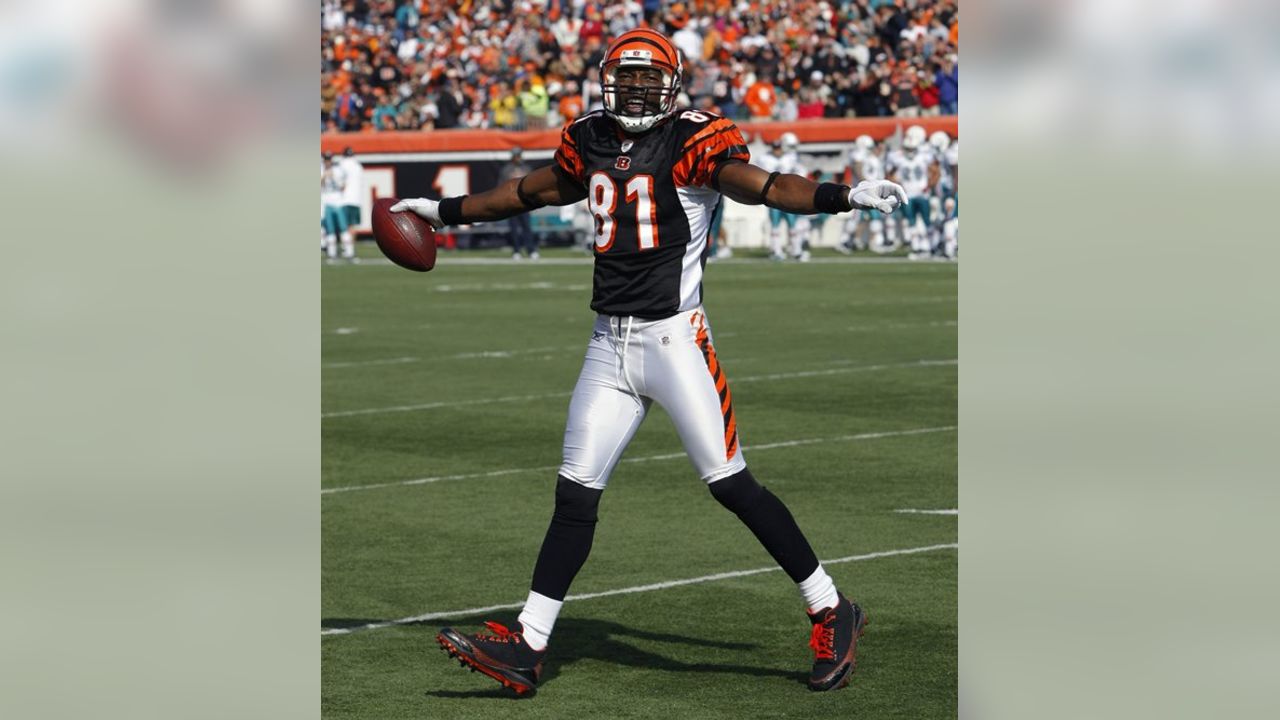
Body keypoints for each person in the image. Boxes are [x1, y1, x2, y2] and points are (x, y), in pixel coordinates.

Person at [391, 28, 905, 696]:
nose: (633, 88)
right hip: (608, 344)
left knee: (730, 483)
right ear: (608, 80)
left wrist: (842, 194)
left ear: (670, 83)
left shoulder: (693, 138)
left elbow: (766, 186)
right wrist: (441, 210)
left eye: (646, 77)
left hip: (675, 341)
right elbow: (530, 193)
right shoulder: (590, 138)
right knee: (575, 492)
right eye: (624, 76)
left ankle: (832, 607)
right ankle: (529, 643)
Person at [500, 147, 539, 260]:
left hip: (525, 203)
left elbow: (533, 185)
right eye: (516, 155)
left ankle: (531, 250)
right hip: (511, 203)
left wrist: (534, 201)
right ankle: (516, 250)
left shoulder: (526, 168)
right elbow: (501, 187)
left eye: (519, 155)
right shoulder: (506, 170)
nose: (518, 158)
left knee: (527, 228)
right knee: (514, 229)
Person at [320, 151, 348, 262]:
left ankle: (348, 252)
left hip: (338, 201)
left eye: (329, 159)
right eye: (326, 159)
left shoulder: (338, 170)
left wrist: (334, 177)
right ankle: (332, 253)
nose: (327, 162)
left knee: (343, 228)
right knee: (329, 229)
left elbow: (342, 187)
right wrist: (323, 177)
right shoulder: (320, 169)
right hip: (326, 202)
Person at [338, 147, 364, 261]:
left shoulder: (342, 164)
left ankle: (346, 250)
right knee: (352, 226)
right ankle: (350, 250)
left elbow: (340, 183)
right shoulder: (358, 166)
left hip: (344, 199)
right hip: (356, 200)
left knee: (344, 227)